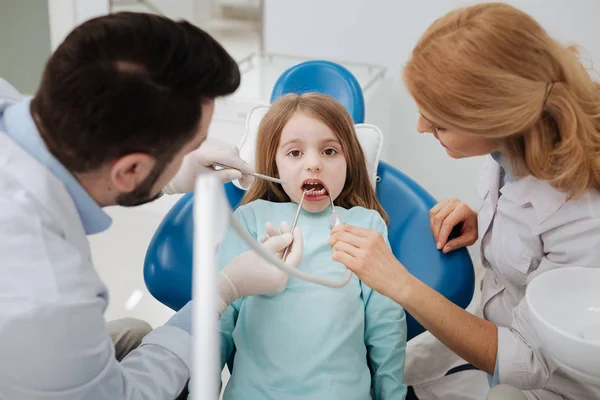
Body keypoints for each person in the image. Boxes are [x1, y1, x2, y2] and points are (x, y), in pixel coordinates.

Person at [0, 12, 302, 400]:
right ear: (130, 169)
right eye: (190, 147)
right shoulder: (53, 297)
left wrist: (168, 176)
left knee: (135, 334)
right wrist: (221, 292)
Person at [328, 3, 600, 400]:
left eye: (438, 121)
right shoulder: (508, 152)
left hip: (547, 383)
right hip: (492, 327)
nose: (420, 127)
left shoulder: (582, 218)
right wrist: (485, 221)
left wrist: (399, 284)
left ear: (492, 119)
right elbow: (528, 230)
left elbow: (528, 362)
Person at [216, 93, 407, 400]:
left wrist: (392, 394)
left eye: (330, 151)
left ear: (350, 162)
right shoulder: (250, 220)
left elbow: (386, 325)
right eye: (294, 153)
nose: (314, 164)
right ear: (273, 163)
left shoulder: (366, 225)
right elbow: (220, 319)